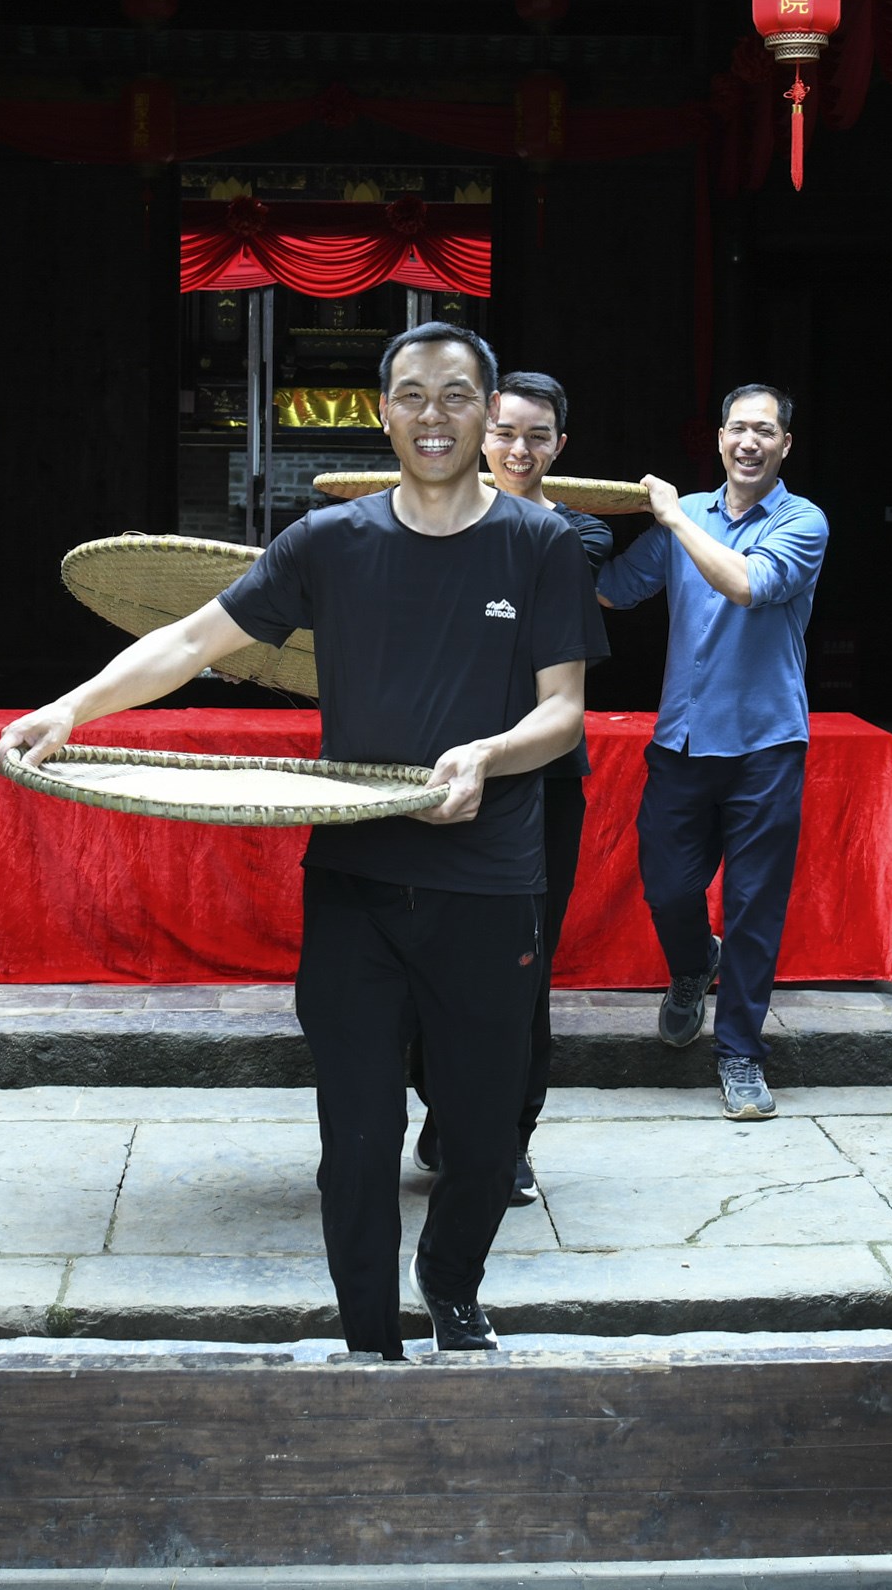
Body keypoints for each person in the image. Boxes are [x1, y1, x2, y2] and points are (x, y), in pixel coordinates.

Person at [0, 323, 599, 1359]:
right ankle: (369, 1343)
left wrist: (488, 756)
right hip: (357, 885)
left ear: (487, 410)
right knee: (354, 1143)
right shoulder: (329, 541)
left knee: (484, 1137)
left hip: (489, 885)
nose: (434, 415)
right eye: (412, 395)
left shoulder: (541, 545)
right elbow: (192, 639)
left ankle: (450, 1281)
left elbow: (564, 712)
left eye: (456, 394)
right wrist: (70, 707)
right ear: (383, 413)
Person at [409, 369, 612, 1206]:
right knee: (427, 959)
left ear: (560, 446)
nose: (518, 449)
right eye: (505, 433)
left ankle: (508, 1140)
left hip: (538, 778)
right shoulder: (427, 521)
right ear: (480, 436)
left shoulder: (578, 535)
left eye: (536, 436)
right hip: (436, 768)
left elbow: (517, 596)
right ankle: (446, 1113)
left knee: (518, 970)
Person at [598, 383, 828, 1123]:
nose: (749, 442)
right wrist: (540, 521)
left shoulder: (801, 521)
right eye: (737, 428)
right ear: (721, 438)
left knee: (754, 907)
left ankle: (739, 1055)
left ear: (785, 444)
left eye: (765, 430)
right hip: (683, 741)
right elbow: (614, 590)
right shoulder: (687, 513)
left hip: (766, 745)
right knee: (667, 888)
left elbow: (747, 584)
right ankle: (695, 963)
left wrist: (671, 517)